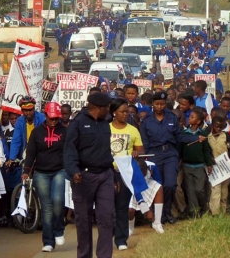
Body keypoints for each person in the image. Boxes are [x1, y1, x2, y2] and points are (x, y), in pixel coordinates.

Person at [139, 92, 205, 225]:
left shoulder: (172, 118)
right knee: (158, 186)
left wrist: (196, 138)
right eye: (157, 104)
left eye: (162, 104)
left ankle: (167, 212)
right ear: (153, 104)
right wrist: (144, 161)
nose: (159, 107)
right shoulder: (146, 122)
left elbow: (179, 137)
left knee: (170, 185)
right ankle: (159, 215)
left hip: (170, 154)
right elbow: (144, 144)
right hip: (154, 155)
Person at [64, 92, 114, 258]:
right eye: (106, 108)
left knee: (107, 217)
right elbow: (69, 150)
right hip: (84, 177)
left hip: (106, 175)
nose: (109, 111)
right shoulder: (77, 123)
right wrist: (73, 171)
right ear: (98, 108)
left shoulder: (105, 122)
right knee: (84, 222)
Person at [22, 102, 68, 252]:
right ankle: (48, 241)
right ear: (45, 115)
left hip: (60, 171)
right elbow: (30, 154)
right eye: (52, 118)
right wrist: (26, 171)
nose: (54, 121)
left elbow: (70, 152)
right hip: (41, 173)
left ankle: (59, 229)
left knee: (58, 200)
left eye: (57, 118)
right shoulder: (36, 132)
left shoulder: (66, 131)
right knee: (47, 207)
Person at [109, 98, 153, 250]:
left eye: (127, 111)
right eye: (122, 112)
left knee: (122, 207)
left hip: (125, 173)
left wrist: (136, 152)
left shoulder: (133, 130)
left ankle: (121, 240)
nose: (125, 114)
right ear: (114, 113)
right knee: (108, 207)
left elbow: (141, 150)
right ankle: (109, 234)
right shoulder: (106, 128)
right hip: (108, 172)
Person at [178, 108, 212, 218]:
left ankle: (203, 207)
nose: (189, 118)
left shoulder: (203, 134)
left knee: (199, 190)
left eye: (192, 117)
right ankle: (195, 212)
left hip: (199, 167)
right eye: (189, 116)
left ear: (198, 122)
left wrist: (209, 163)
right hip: (187, 166)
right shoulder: (184, 133)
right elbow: (180, 149)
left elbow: (206, 151)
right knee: (190, 190)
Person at [207, 115, 230, 215]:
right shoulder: (208, 137)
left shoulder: (227, 137)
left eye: (221, 127)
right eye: (216, 126)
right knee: (215, 190)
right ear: (212, 125)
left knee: (224, 191)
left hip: (225, 167)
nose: (218, 129)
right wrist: (209, 159)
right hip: (214, 168)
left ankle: (222, 212)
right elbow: (206, 151)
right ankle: (215, 213)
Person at [6, 96, 45, 164]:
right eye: (25, 110)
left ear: (34, 109)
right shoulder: (19, 121)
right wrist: (12, 158)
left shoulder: (42, 118)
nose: (28, 113)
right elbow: (16, 140)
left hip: (42, 149)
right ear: (22, 110)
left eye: (30, 110)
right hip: (27, 150)